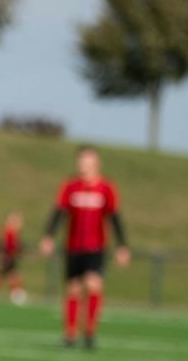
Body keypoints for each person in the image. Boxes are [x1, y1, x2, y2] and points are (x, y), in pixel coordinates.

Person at [38, 147, 129, 348]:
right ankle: (70, 334)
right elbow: (59, 213)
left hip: (96, 247)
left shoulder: (106, 188)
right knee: (73, 289)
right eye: (81, 161)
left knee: (93, 284)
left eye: (88, 162)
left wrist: (122, 245)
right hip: (73, 247)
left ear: (97, 164)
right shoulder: (70, 187)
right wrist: (48, 237)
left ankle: (89, 332)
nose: (83, 166)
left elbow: (115, 217)